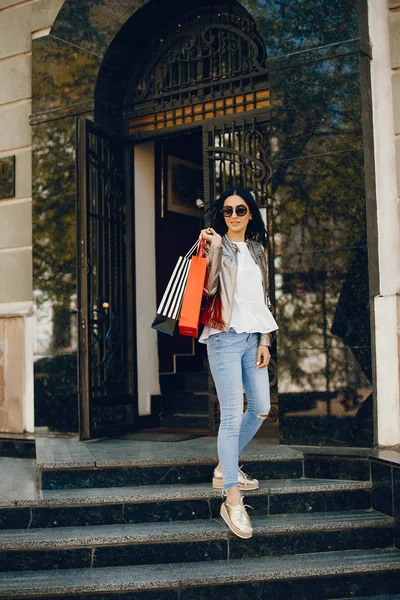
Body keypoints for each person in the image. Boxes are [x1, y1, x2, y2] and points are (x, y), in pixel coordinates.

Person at [199, 186, 278, 539]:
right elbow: (209, 290)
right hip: (223, 335)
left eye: (240, 210)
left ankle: (224, 466)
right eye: (228, 211)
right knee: (231, 414)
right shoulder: (217, 244)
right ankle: (231, 498)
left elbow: (264, 299)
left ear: (250, 214)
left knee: (260, 407)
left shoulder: (259, 250)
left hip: (252, 338)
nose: (233, 216)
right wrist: (213, 249)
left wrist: (265, 340)